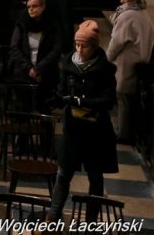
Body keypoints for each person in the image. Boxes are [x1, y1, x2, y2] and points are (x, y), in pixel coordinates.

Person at [48, 20, 117, 222]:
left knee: (95, 176)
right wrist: (58, 99)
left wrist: (81, 101)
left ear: (94, 47)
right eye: (77, 45)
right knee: (63, 174)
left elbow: (108, 101)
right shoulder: (69, 65)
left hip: (95, 130)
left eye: (84, 46)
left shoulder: (105, 69)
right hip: (73, 128)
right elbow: (62, 91)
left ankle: (91, 221)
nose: (79, 49)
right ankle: (53, 216)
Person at [106, 0, 154, 143]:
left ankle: (124, 133)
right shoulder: (143, 13)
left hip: (127, 61)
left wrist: (107, 59)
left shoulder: (127, 16)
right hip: (141, 59)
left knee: (123, 96)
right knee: (132, 98)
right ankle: (131, 132)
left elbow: (117, 42)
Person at [8, 0, 62, 112]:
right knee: (24, 109)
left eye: (34, 6)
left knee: (44, 109)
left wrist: (38, 69)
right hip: (23, 73)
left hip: (46, 72)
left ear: (43, 7)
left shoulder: (52, 24)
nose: (31, 9)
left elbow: (57, 49)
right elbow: (14, 48)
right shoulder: (22, 23)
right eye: (28, 7)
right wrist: (30, 69)